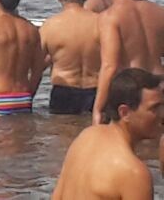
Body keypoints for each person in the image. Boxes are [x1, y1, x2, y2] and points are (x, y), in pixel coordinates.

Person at [52, 68, 162, 200]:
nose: (162, 114)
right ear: (125, 113)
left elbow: (57, 196)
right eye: (154, 108)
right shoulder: (134, 173)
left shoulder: (86, 137)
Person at [92, 0, 164, 124]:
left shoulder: (110, 17)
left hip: (133, 90)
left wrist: (98, 109)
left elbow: (110, 66)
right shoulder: (159, 12)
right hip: (160, 85)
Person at [40, 0, 101, 114]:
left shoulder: (50, 26)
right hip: (96, 91)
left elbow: (37, 67)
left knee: (62, 127)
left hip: (64, 92)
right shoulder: (102, 23)